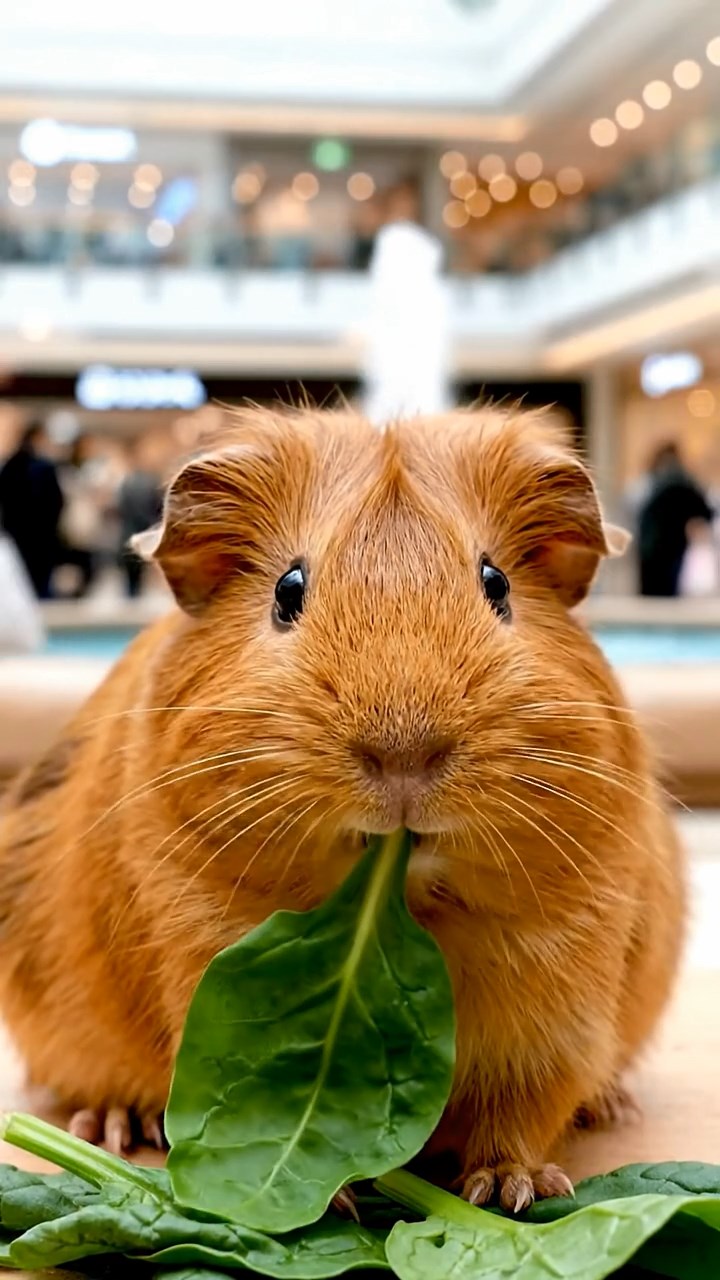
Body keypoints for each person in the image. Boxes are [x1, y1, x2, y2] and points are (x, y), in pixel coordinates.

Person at [637, 442, 714, 597]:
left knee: (651, 591)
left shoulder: (656, 483)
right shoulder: (682, 481)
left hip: (652, 544)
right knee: (667, 591)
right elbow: (706, 511)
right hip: (671, 545)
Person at [0, 420, 64, 598]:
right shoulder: (44, 467)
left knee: (19, 582)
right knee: (40, 582)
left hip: (16, 535)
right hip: (41, 535)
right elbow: (56, 502)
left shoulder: (10, 467)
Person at [117, 437, 163, 598]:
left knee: (131, 584)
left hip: (128, 534)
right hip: (147, 534)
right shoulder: (151, 482)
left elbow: (120, 510)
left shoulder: (126, 483)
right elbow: (158, 510)